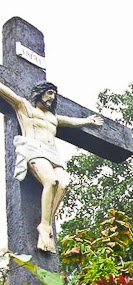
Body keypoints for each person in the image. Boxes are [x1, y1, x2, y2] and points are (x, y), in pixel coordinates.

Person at [0, 80, 104, 253]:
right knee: (51, 181)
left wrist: (88, 121)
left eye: (54, 94)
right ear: (40, 92)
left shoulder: (52, 118)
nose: (52, 97)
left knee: (64, 184)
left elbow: (71, 122)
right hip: (34, 148)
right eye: (49, 93)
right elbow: (9, 94)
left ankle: (45, 222)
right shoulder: (25, 108)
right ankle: (45, 227)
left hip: (53, 154)